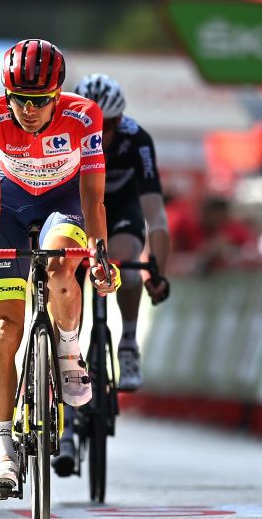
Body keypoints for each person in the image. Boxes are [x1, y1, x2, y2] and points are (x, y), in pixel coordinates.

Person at [0, 40, 118, 497]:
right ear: (5, 93)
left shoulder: (85, 115)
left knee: (60, 261)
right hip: (9, 206)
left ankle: (68, 349)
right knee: (4, 329)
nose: (29, 110)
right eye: (20, 100)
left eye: (40, 100)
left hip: (64, 201)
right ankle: (4, 451)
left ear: (58, 94)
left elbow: (93, 196)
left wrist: (100, 252)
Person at [49, 73, 173, 475]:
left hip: (119, 213)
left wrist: (158, 271)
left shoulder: (138, 141)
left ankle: (129, 344)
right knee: (65, 295)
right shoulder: (62, 132)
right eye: (95, 122)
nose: (102, 132)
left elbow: (155, 214)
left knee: (128, 267)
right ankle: (65, 421)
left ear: (123, 121)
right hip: (75, 211)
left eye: (111, 125)